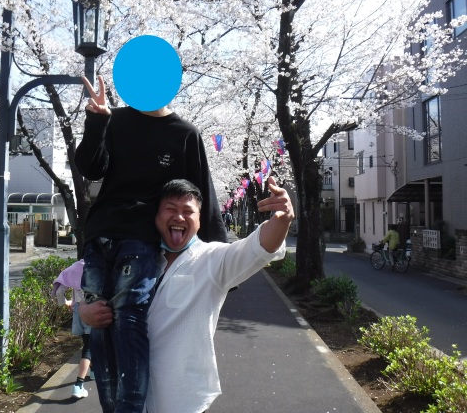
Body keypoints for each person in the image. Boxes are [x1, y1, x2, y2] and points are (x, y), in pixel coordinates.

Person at [74, 75, 227, 413]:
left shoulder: (185, 134)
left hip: (141, 238)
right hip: (100, 234)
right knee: (99, 322)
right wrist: (96, 121)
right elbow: (91, 168)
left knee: (129, 318)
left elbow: (201, 195)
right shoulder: (115, 120)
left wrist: (219, 256)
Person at [83, 176, 294, 413]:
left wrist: (283, 219)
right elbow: (95, 291)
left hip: (183, 401)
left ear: (199, 219)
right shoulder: (133, 257)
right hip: (128, 399)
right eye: (170, 209)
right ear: (156, 216)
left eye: (188, 211)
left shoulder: (213, 259)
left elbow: (259, 247)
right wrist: (86, 311)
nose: (179, 217)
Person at [51, 259, 94, 399]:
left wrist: (65, 302)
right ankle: (78, 385)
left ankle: (93, 371)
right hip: (93, 310)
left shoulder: (76, 267)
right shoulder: (98, 265)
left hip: (78, 311)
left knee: (87, 343)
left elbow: (60, 290)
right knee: (89, 347)